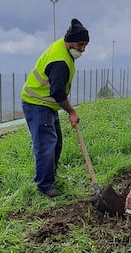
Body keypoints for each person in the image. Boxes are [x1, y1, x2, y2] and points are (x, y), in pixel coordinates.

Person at [21, 18, 89, 197]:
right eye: (81, 44)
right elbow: (58, 93)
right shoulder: (60, 62)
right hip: (37, 103)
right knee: (46, 143)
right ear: (70, 41)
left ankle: (50, 176)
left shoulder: (63, 48)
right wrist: (71, 111)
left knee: (56, 141)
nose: (83, 49)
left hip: (46, 103)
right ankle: (44, 185)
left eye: (85, 45)